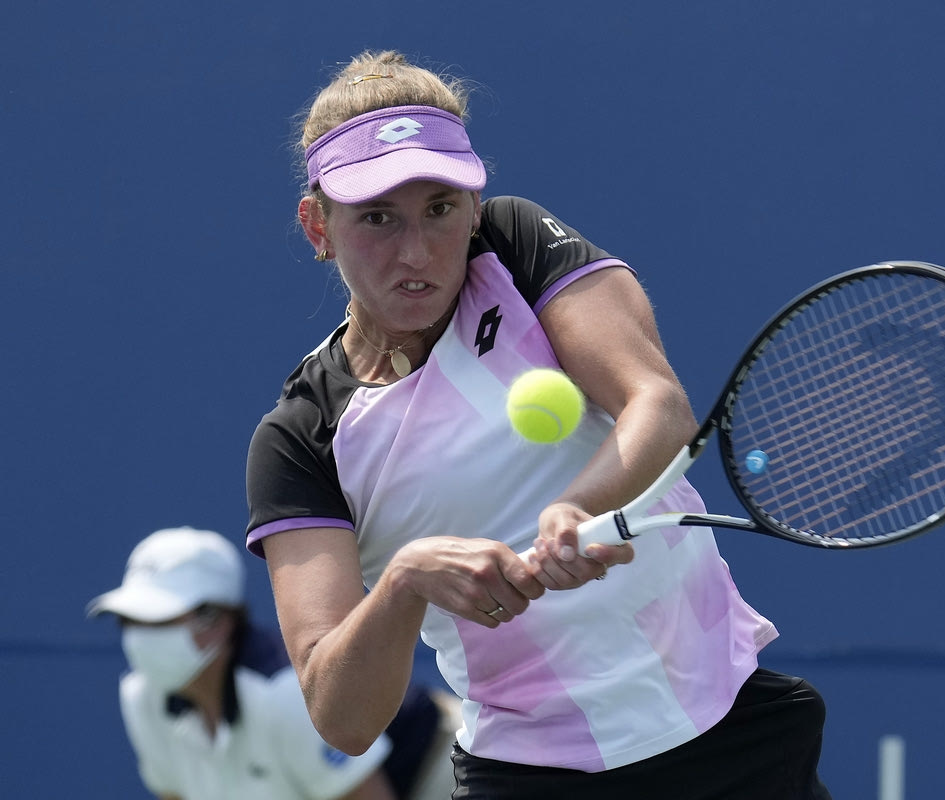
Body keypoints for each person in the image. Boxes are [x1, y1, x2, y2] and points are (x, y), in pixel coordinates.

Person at [246, 50, 832, 799]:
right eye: (377, 218)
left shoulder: (515, 247)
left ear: (474, 206)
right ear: (317, 226)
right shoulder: (301, 437)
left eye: (440, 208)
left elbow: (657, 405)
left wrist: (575, 509)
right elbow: (342, 719)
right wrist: (403, 580)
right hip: (529, 778)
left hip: (731, 735)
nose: (416, 251)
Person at [87, 526, 460, 800]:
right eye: (129, 621)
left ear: (217, 620)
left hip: (441, 764)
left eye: (158, 619)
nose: (140, 637)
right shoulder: (140, 698)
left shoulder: (285, 696)